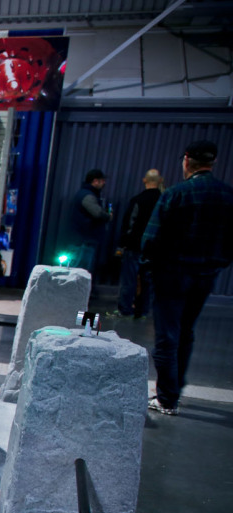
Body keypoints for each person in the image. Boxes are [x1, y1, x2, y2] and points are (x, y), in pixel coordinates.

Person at [141, 140, 233, 416]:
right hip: (205, 276)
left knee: (167, 335)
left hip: (171, 275)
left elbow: (151, 239)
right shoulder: (227, 196)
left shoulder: (176, 195)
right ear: (212, 163)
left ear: (186, 161)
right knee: (186, 333)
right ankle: (174, 391)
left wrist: (148, 270)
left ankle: (167, 398)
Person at [111, 169, 162, 318]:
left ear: (144, 180)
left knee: (129, 279)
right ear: (159, 181)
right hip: (154, 248)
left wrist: (122, 245)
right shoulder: (164, 199)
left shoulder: (138, 200)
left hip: (134, 246)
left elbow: (128, 225)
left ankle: (125, 309)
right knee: (147, 281)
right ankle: (143, 310)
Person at [65, 168, 112, 282]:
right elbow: (97, 213)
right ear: (95, 181)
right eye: (102, 180)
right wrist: (108, 216)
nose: (104, 183)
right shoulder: (88, 196)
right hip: (84, 240)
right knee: (81, 270)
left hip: (83, 239)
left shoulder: (85, 194)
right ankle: (75, 295)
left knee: (79, 269)